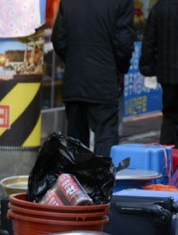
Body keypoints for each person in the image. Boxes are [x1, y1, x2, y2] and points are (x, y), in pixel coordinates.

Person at [52, 0, 135, 157]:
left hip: (75, 78)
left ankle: (77, 180)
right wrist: (118, 69)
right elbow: (123, 44)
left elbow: (59, 39)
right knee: (106, 137)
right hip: (104, 78)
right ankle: (101, 180)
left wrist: (73, 61)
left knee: (76, 141)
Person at [139, 0, 178, 148]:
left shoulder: (159, 7)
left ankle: (166, 160)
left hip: (168, 76)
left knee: (169, 116)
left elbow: (149, 41)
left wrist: (148, 69)